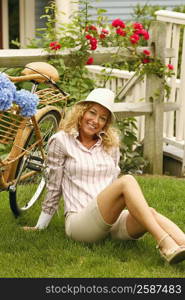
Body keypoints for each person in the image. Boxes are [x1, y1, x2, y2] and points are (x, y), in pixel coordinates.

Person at [24, 88, 185, 264]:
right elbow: (54, 186)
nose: (95, 121)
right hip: (80, 223)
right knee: (127, 181)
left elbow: (114, 188)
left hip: (109, 221)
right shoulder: (61, 140)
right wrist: (41, 225)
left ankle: (181, 243)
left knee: (149, 213)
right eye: (92, 113)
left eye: (103, 118)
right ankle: (164, 243)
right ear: (81, 111)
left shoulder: (110, 144)